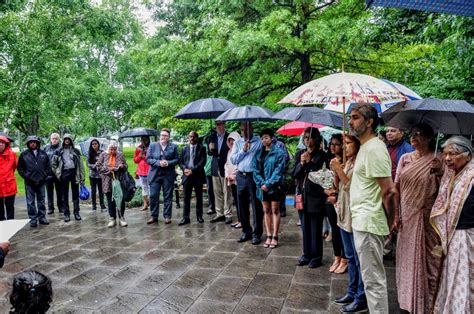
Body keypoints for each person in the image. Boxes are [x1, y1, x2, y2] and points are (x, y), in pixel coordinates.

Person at [348, 103, 398, 313]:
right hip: (363, 220)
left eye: (356, 117)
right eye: (350, 117)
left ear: (369, 122)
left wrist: (389, 220)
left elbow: (389, 191)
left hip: (370, 222)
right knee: (370, 278)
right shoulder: (366, 147)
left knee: (373, 280)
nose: (351, 121)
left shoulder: (375, 149)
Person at [394, 123, 443, 313]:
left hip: (426, 218)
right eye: (412, 134)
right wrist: (396, 214)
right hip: (407, 215)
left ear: (430, 137)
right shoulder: (405, 159)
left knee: (427, 260)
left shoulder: (437, 160)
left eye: (419, 134)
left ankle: (426, 302)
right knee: (406, 258)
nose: (414, 137)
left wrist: (439, 172)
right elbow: (396, 189)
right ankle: (406, 299)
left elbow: (446, 191)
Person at [430, 136, 473, 313]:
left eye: (453, 154)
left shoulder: (470, 177)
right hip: (454, 238)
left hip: (466, 236)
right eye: (445, 153)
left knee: (461, 279)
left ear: (468, 156)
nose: (447, 158)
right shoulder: (452, 174)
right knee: (452, 279)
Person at [330, 135, 367, 312]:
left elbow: (353, 186)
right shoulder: (348, 162)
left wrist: (339, 170)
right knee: (350, 257)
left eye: (348, 143)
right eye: (343, 144)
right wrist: (336, 171)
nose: (344, 147)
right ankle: (351, 291)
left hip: (355, 216)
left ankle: (361, 296)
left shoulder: (361, 162)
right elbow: (339, 187)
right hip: (343, 214)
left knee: (359, 260)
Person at [292, 127, 329, 268]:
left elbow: (322, 176)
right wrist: (302, 163)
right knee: (305, 227)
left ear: (317, 139)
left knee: (315, 228)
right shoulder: (300, 154)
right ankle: (306, 254)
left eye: (311, 137)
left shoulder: (322, 156)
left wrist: (311, 162)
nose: (307, 139)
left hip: (315, 197)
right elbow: (293, 174)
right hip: (302, 196)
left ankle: (316, 257)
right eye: (306, 137)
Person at [253, 128, 286, 249]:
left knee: (275, 210)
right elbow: (255, 169)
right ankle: (268, 235)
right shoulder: (258, 153)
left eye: (266, 137)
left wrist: (268, 184)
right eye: (262, 138)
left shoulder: (279, 153)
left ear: (272, 138)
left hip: (274, 187)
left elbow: (279, 170)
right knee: (266, 210)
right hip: (262, 187)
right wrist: (261, 183)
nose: (264, 140)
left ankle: (275, 236)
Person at [231, 122, 264, 244]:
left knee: (256, 205)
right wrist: (243, 151)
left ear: (252, 129)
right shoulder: (238, 143)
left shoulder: (259, 142)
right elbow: (233, 160)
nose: (245, 132)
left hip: (253, 176)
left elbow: (261, 159)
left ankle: (257, 233)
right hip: (240, 176)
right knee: (241, 205)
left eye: (247, 130)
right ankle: (246, 231)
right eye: (242, 130)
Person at [17, 136, 51, 228]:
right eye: (31, 142)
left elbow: (48, 167)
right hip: (29, 183)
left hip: (41, 182)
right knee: (30, 202)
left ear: (37, 143)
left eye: (34, 142)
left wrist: (44, 176)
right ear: (28, 144)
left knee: (41, 201)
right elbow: (20, 168)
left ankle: (42, 218)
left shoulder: (43, 154)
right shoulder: (24, 154)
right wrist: (26, 176)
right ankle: (33, 219)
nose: (33, 143)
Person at [146, 128, 179, 225]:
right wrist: (158, 163)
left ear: (169, 137)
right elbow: (148, 159)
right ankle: (154, 216)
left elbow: (177, 159)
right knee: (153, 196)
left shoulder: (173, 147)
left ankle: (167, 216)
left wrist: (167, 163)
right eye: (162, 135)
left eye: (165, 135)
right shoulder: (153, 145)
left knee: (167, 196)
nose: (163, 137)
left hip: (168, 175)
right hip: (155, 174)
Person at [325, 134, 347, 274]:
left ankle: (345, 259)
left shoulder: (347, 161)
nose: (333, 147)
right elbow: (330, 182)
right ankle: (337, 257)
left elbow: (346, 185)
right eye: (331, 144)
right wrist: (329, 192)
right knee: (334, 229)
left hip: (342, 200)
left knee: (342, 230)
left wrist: (336, 195)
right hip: (330, 198)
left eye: (337, 144)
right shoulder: (330, 160)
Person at [52, 134, 85, 222]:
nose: (67, 140)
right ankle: (66, 214)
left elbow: (81, 164)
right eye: (65, 139)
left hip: (74, 173)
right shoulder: (58, 151)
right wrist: (58, 174)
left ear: (71, 140)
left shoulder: (76, 151)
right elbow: (53, 164)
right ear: (63, 140)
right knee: (64, 195)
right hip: (64, 174)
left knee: (75, 194)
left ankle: (76, 212)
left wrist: (82, 176)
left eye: (68, 139)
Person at [97, 141, 129, 227]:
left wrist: (122, 167)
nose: (113, 151)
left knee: (120, 199)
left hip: (119, 180)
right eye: (111, 149)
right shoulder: (103, 155)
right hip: (107, 181)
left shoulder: (120, 155)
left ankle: (121, 218)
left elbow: (126, 166)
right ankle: (112, 219)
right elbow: (98, 166)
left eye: (114, 149)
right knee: (110, 200)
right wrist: (108, 170)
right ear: (108, 148)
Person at [178, 131, 207, 225]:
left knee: (199, 197)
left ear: (197, 138)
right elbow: (181, 161)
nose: (192, 138)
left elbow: (203, 162)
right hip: (187, 176)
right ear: (188, 138)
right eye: (190, 136)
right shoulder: (184, 149)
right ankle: (185, 218)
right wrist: (184, 169)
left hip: (197, 176)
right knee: (186, 198)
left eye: (194, 136)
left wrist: (192, 170)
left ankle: (199, 216)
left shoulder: (202, 148)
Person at [208, 121, 232, 224]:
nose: (218, 126)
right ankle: (219, 213)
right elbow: (210, 153)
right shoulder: (212, 137)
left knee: (226, 191)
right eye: (217, 124)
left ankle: (228, 214)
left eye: (220, 124)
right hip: (215, 167)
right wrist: (210, 149)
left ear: (224, 125)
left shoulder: (229, 136)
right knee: (217, 191)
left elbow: (232, 151)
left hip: (225, 167)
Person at [225, 131, 241, 228]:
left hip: (237, 179)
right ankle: (239, 220)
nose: (231, 142)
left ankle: (242, 221)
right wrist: (227, 174)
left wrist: (233, 175)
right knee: (236, 199)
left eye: (233, 140)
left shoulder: (239, 151)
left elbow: (238, 165)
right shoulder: (229, 151)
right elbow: (227, 164)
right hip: (230, 179)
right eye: (230, 140)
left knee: (240, 201)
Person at [43, 133, 63, 215]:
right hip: (48, 174)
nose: (54, 140)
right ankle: (50, 208)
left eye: (56, 138)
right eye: (53, 138)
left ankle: (61, 207)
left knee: (59, 192)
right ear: (50, 139)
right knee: (49, 192)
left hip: (58, 174)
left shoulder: (61, 148)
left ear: (58, 139)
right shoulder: (45, 148)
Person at [0, 135, 17, 220]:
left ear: (6, 144)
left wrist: (8, 176)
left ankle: (11, 223)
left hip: (9, 184)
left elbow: (14, 167)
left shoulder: (12, 154)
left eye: (2, 142)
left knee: (10, 206)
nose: (0, 144)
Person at [87, 139, 106, 211]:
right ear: (91, 145)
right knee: (93, 190)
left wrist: (100, 165)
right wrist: (94, 166)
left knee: (101, 190)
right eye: (93, 144)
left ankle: (102, 204)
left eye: (96, 144)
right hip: (92, 175)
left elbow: (105, 162)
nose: (94, 145)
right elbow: (88, 164)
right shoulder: (89, 153)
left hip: (101, 175)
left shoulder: (102, 152)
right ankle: (94, 205)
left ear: (98, 144)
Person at [134, 135, 151, 211]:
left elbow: (152, 159)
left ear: (148, 139)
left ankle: (151, 203)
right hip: (141, 171)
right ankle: (145, 204)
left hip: (150, 170)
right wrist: (140, 156)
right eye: (142, 140)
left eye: (145, 139)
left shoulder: (151, 147)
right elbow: (135, 160)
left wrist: (144, 156)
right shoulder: (138, 148)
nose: (144, 141)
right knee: (144, 187)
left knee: (150, 187)